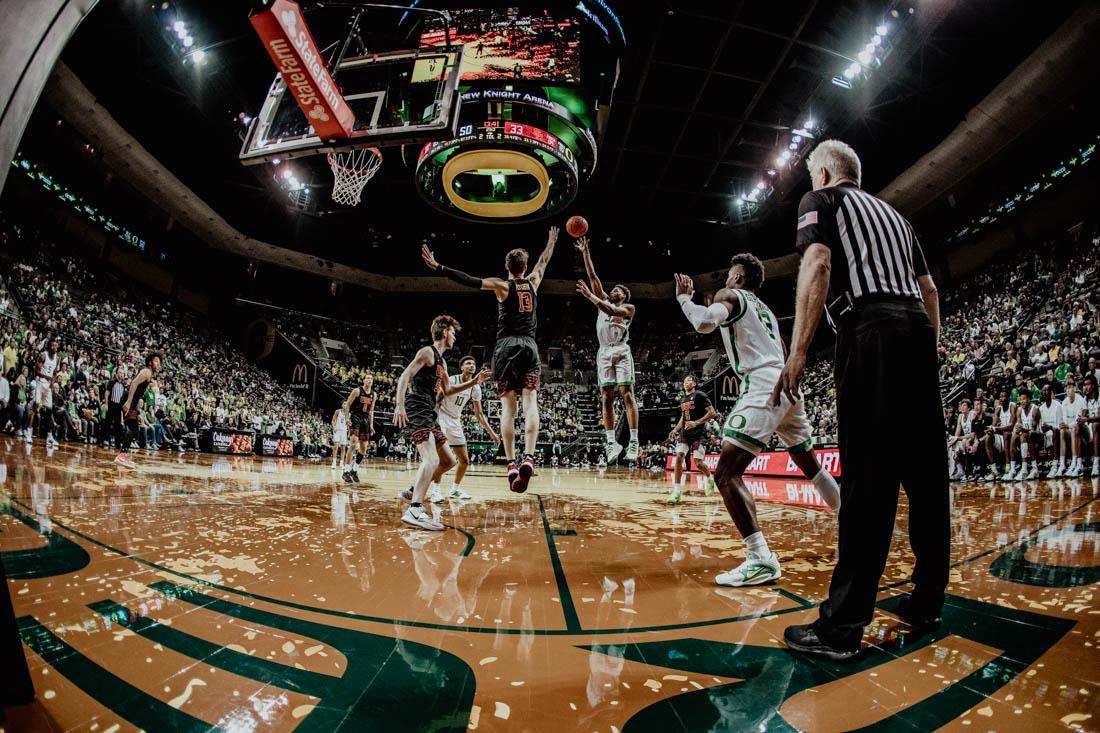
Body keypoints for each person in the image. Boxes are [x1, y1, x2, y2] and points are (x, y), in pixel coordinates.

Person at [776, 139, 947, 659]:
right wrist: (926, 353)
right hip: (917, 331)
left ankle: (842, 627)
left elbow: (819, 265)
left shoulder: (822, 203)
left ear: (825, 173)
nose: (809, 184)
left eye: (810, 175)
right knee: (925, 477)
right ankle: (927, 599)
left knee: (869, 481)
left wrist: (799, 349)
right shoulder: (898, 219)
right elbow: (931, 291)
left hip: (870, 332)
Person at [674, 256, 841, 589]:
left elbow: (704, 322)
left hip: (763, 383)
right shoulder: (764, 311)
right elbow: (780, 347)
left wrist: (683, 298)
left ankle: (760, 558)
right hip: (787, 383)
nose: (725, 279)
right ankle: (851, 516)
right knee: (808, 462)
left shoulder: (732, 295)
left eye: (727, 274)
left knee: (726, 472)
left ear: (737, 276)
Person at [421, 226, 559, 493]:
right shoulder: (533, 280)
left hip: (507, 346)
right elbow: (544, 261)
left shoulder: (502, 285)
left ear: (507, 266)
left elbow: (470, 280)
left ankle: (511, 463)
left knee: (509, 408)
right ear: (525, 265)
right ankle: (529, 456)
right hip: (529, 345)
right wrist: (551, 241)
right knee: (530, 402)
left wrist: (440, 267)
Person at [392, 315, 489, 530]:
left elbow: (448, 390)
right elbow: (405, 376)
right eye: (453, 332)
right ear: (445, 332)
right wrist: (399, 404)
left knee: (449, 461)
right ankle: (415, 509)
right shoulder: (427, 352)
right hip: (418, 406)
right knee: (431, 459)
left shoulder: (442, 362)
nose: (455, 337)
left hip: (431, 412)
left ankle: (412, 490)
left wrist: (474, 381)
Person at [574, 235, 640, 463]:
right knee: (606, 397)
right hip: (603, 351)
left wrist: (590, 296)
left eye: (619, 290)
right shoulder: (603, 299)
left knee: (627, 393)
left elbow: (611, 311)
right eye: (613, 289)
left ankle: (633, 441)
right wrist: (585, 251)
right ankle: (612, 443)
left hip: (621, 350)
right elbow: (593, 276)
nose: (614, 291)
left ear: (625, 296)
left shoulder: (628, 309)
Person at [428, 355, 500, 502]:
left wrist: (492, 433)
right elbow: (439, 398)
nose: (472, 365)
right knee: (442, 459)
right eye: (468, 363)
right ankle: (435, 491)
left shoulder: (475, 387)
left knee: (464, 460)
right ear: (461, 367)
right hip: (441, 417)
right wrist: (433, 417)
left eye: (473, 364)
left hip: (455, 420)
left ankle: (455, 490)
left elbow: (479, 414)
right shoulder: (452, 380)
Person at [666, 374, 717, 503]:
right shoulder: (683, 399)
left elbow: (712, 413)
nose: (685, 382)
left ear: (694, 383)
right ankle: (677, 491)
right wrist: (676, 429)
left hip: (699, 432)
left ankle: (710, 478)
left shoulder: (700, 395)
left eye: (689, 380)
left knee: (698, 463)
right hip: (686, 432)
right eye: (684, 381)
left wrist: (696, 422)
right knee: (679, 456)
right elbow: (684, 417)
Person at [114, 353, 162, 469]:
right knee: (134, 428)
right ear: (150, 362)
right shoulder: (147, 372)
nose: (158, 364)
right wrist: (129, 402)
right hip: (130, 399)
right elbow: (134, 383)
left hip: (133, 401)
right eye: (156, 361)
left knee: (134, 427)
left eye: (159, 363)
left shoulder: (149, 374)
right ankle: (121, 455)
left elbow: (138, 391)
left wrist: (137, 411)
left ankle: (123, 455)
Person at [342, 374, 376, 483]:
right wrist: (347, 418)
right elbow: (347, 405)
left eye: (371, 378)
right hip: (356, 418)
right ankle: (346, 471)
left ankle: (354, 470)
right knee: (353, 443)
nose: (369, 380)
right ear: (364, 380)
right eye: (367, 378)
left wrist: (371, 425)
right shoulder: (356, 391)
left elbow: (371, 411)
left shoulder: (374, 395)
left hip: (365, 421)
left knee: (363, 449)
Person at [30, 337, 60, 446]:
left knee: (49, 410)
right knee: (36, 407)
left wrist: (53, 381)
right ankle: (29, 432)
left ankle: (49, 436)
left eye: (56, 345)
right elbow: (36, 371)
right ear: (49, 346)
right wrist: (47, 377)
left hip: (48, 386)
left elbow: (55, 371)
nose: (55, 347)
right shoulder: (43, 355)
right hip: (40, 383)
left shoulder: (57, 357)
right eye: (53, 345)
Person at [1059, 381, 1088, 477]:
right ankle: (1062, 465)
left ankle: (1075, 462)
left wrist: (1067, 425)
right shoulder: (1064, 402)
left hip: (1083, 429)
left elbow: (1079, 420)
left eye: (1070, 387)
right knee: (1062, 431)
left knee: (1074, 428)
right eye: (1066, 388)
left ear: (1075, 389)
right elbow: (1064, 420)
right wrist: (1065, 425)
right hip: (1071, 428)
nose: (1068, 390)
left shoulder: (1080, 400)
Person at [1012, 390, 1041, 480]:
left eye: (1024, 399)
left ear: (1029, 399)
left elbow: (1033, 429)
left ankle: (1032, 468)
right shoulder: (1019, 410)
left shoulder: (1035, 409)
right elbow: (1019, 426)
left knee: (1028, 434)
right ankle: (1013, 468)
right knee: (1015, 436)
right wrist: (1017, 431)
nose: (1022, 401)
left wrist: (1022, 430)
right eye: (1020, 399)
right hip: (1025, 435)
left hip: (1039, 436)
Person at [1036, 385, 1063, 477]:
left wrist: (1050, 427)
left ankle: (1055, 465)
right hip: (1046, 434)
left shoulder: (1058, 405)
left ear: (1051, 393)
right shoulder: (1041, 408)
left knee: (1054, 431)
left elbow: (1060, 425)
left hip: (1056, 433)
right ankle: (1035, 467)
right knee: (1033, 435)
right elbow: (1040, 426)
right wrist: (1042, 429)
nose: (1045, 392)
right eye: (1043, 391)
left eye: (1047, 390)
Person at [1078, 374, 1099, 477]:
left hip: (1098, 427)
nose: (1086, 387)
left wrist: (1086, 419)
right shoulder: (1085, 399)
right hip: (1091, 429)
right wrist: (1080, 419)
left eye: (1088, 384)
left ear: (1093, 385)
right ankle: (1079, 463)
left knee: (1095, 425)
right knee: (1077, 427)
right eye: (1084, 385)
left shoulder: (1099, 397)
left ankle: (1096, 462)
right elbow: (1083, 415)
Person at [331, 406, 349, 472]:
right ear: (342, 405)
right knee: (335, 446)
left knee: (343, 448)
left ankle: (342, 463)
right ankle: (334, 462)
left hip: (344, 431)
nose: (346, 405)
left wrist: (349, 431)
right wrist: (334, 427)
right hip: (337, 430)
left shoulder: (348, 413)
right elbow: (333, 420)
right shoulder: (338, 411)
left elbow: (348, 424)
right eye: (344, 403)